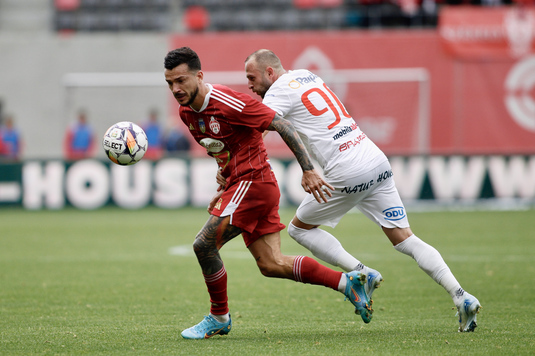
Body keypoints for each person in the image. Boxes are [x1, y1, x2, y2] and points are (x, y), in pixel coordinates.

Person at [242, 49, 481, 333]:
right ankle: (461, 295)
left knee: (299, 229)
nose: (249, 85)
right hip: (375, 160)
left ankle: (361, 272)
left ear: (270, 72)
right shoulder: (306, 76)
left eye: (252, 77)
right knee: (405, 238)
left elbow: (260, 130)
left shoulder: (277, 92)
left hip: (346, 170)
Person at [164, 47, 373, 340]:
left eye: (182, 80)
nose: (176, 89)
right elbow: (225, 146)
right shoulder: (187, 112)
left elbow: (283, 124)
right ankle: (346, 283)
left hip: (253, 183)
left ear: (199, 76)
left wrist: (308, 169)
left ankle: (218, 317)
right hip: (247, 184)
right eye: (170, 83)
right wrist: (224, 180)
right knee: (271, 264)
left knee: (203, 245)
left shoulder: (227, 101)